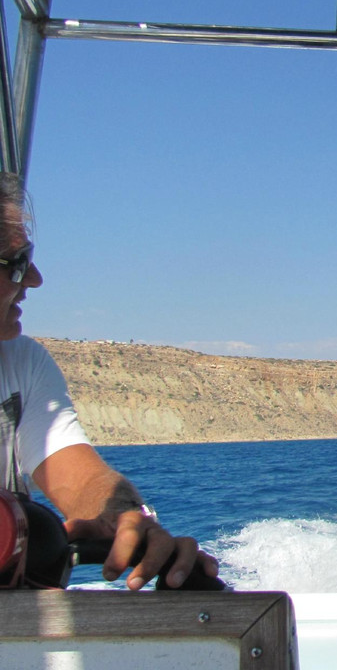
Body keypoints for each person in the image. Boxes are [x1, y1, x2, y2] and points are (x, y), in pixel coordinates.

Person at [0, 172, 218, 590]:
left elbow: (78, 476)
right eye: (17, 264)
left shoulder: (21, 363)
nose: (34, 280)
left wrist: (123, 518)